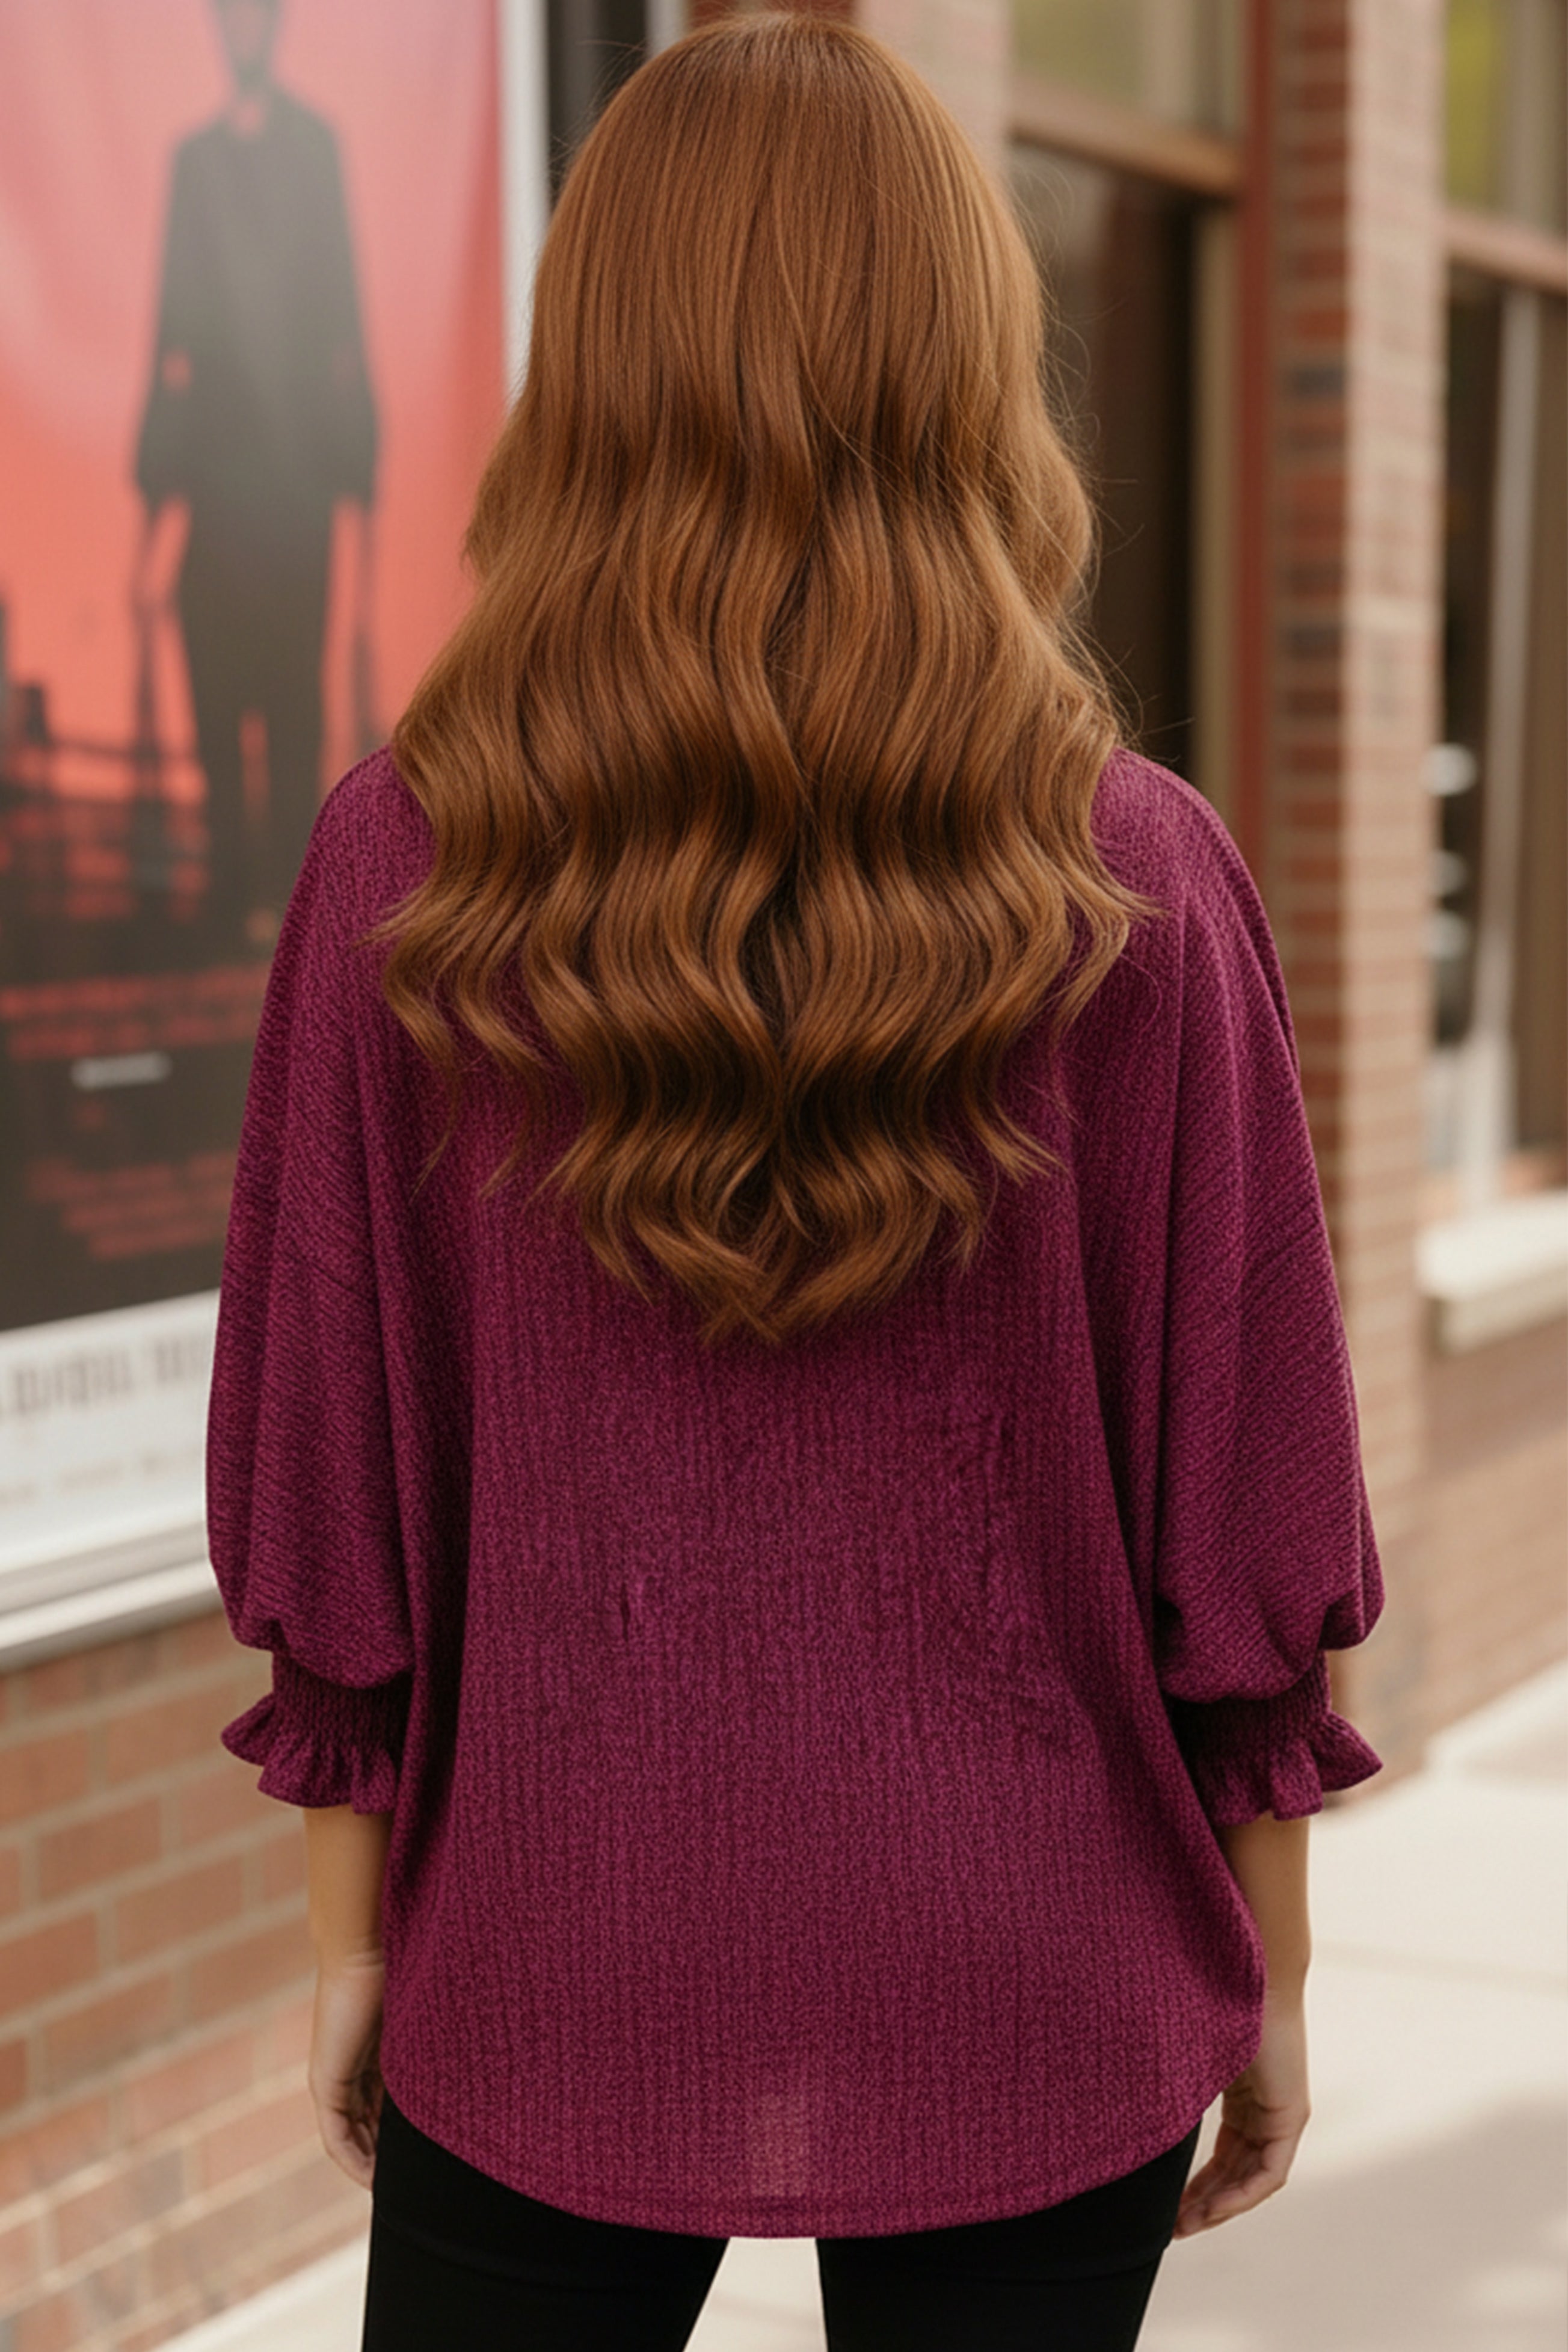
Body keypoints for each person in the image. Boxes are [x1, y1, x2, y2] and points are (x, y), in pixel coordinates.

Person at [203, 17, 1386, 2350]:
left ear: (596, 368)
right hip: (1037, 1957)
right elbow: (1244, 1510)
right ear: (963, 370)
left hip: (550, 1938)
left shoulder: (400, 866)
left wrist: (349, 1943)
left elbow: (330, 1487)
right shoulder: (1135, 871)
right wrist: (1278, 1967)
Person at [132, 0, 378, 950]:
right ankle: (230, 886)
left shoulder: (317, 149)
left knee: (289, 694)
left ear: (273, 26)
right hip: (215, 486)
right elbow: (168, 332)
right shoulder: (192, 162)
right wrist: (154, 497)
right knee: (214, 684)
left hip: (297, 491)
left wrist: (358, 473)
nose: (240, 31)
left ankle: (286, 901)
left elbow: (346, 320)